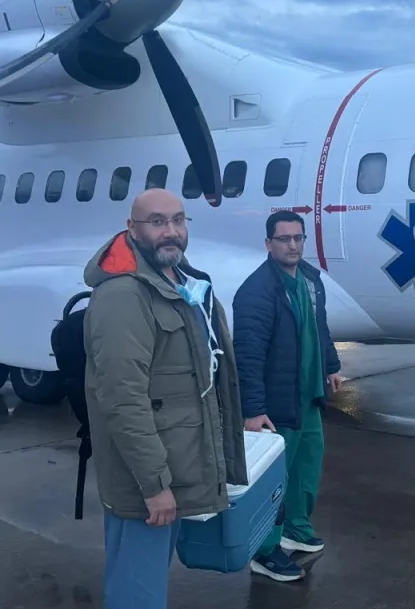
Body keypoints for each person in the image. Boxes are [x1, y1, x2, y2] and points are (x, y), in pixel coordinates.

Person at [81, 188, 248, 608]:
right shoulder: (123, 295)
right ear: (132, 228)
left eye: (178, 220)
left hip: (176, 468)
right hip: (146, 482)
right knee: (137, 594)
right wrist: (154, 485)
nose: (170, 231)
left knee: (148, 585)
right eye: (156, 222)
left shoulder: (180, 281)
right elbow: (122, 399)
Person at [233, 209, 345, 582]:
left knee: (305, 470)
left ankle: (297, 529)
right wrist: (253, 410)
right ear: (269, 244)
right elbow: (248, 357)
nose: (293, 245)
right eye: (284, 239)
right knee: (274, 482)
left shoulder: (310, 280)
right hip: (278, 405)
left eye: (298, 238)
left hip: (308, 397)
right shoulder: (257, 292)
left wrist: (331, 365)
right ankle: (264, 551)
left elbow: (320, 327)